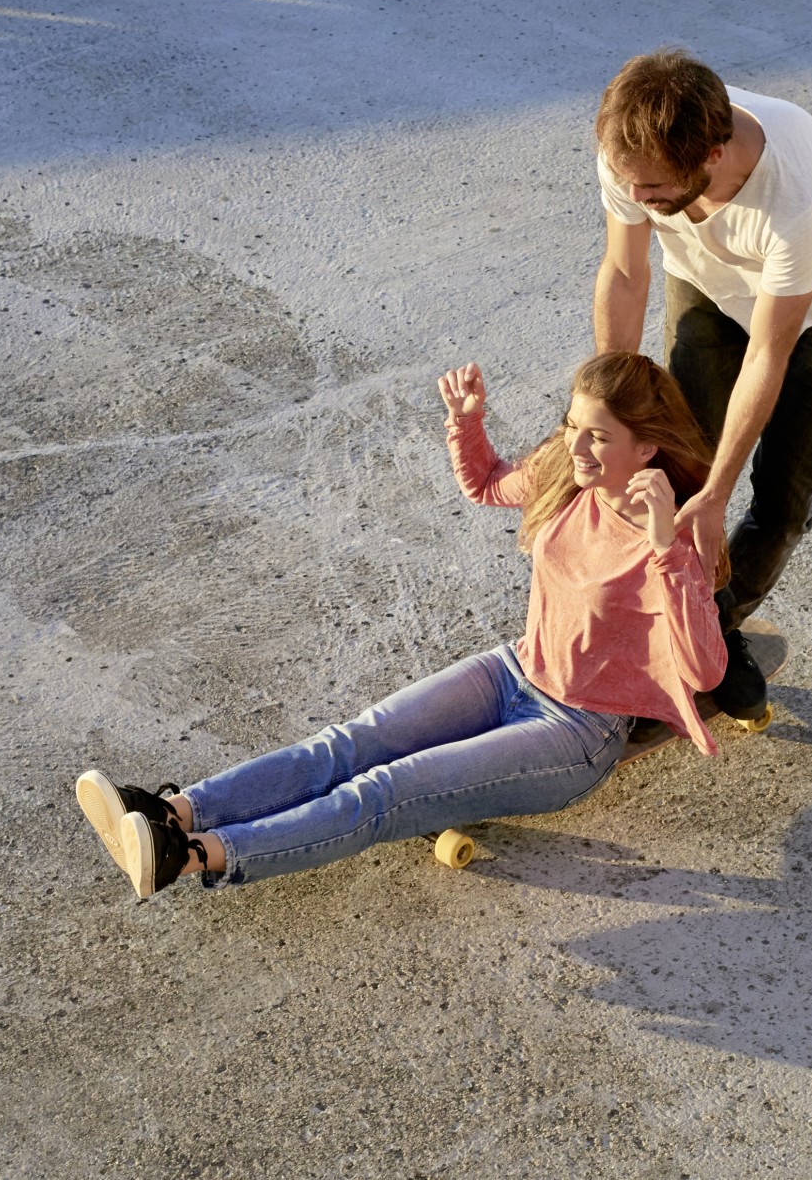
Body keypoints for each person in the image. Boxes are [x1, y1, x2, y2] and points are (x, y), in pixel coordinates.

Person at [73, 352, 729, 895]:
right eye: (572, 424)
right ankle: (170, 811)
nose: (575, 445)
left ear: (646, 446)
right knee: (348, 743)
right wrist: (466, 420)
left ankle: (189, 856)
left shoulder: (670, 539)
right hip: (513, 671)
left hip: (576, 729)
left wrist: (665, 545)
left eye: (598, 436)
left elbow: (705, 670)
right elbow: (488, 483)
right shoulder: (565, 472)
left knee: (385, 792)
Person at [591, 48, 812, 724]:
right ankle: (661, 637)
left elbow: (768, 353)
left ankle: (709, 626)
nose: (636, 201)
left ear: (712, 156)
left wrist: (718, 495)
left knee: (782, 508)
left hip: (808, 316)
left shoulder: (797, 194)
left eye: (653, 190)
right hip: (704, 289)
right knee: (674, 473)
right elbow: (625, 272)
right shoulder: (633, 153)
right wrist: (608, 412)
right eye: (629, 185)